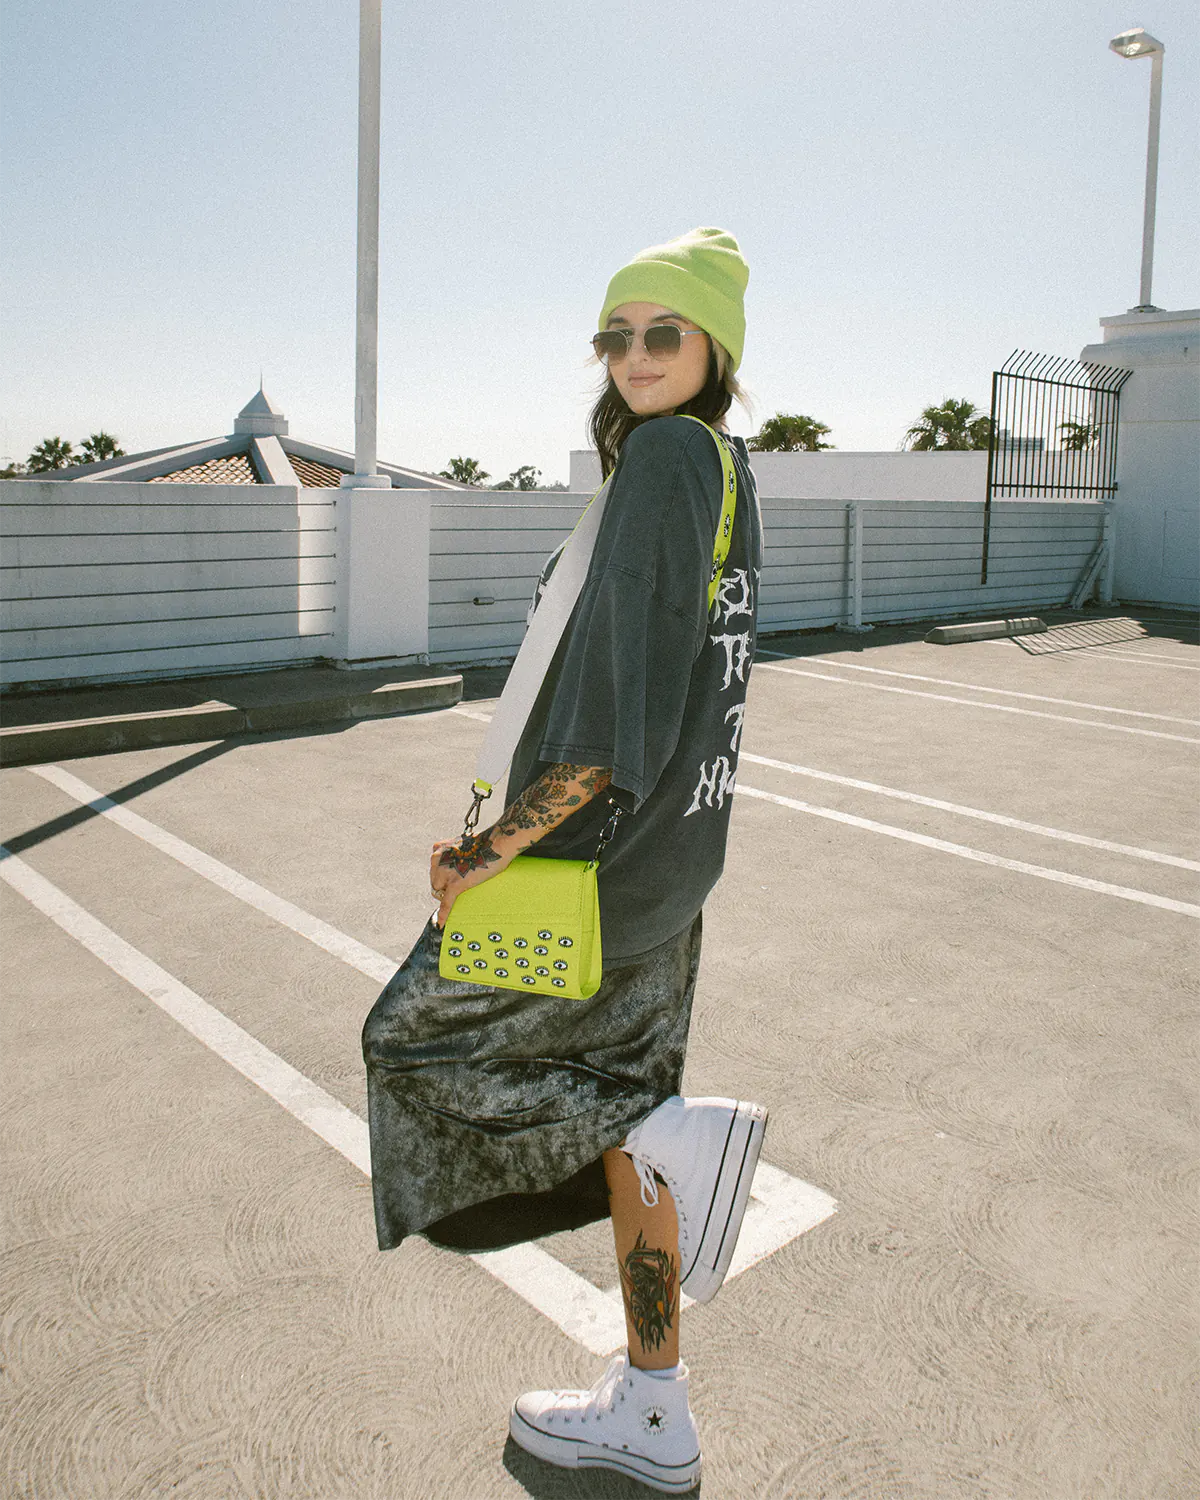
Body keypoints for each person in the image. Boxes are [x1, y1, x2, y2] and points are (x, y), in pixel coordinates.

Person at [361, 226, 767, 1495]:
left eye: (666, 333)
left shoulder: (662, 458)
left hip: (589, 875)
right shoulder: (727, 464)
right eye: (619, 333)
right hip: (670, 874)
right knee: (630, 1112)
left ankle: (671, 1133)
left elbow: (606, 722)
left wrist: (487, 850)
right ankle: (655, 1404)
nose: (637, 355)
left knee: (409, 1044)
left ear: (715, 350)